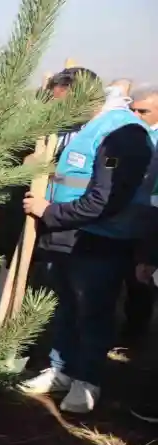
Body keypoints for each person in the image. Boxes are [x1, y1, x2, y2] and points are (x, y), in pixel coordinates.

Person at [18, 75, 155, 413]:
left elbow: (107, 199)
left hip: (101, 240)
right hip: (67, 236)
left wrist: (49, 210)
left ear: (84, 97)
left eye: (64, 103)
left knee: (93, 313)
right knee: (66, 307)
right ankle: (61, 370)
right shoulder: (86, 126)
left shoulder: (122, 137)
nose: (59, 111)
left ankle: (87, 381)